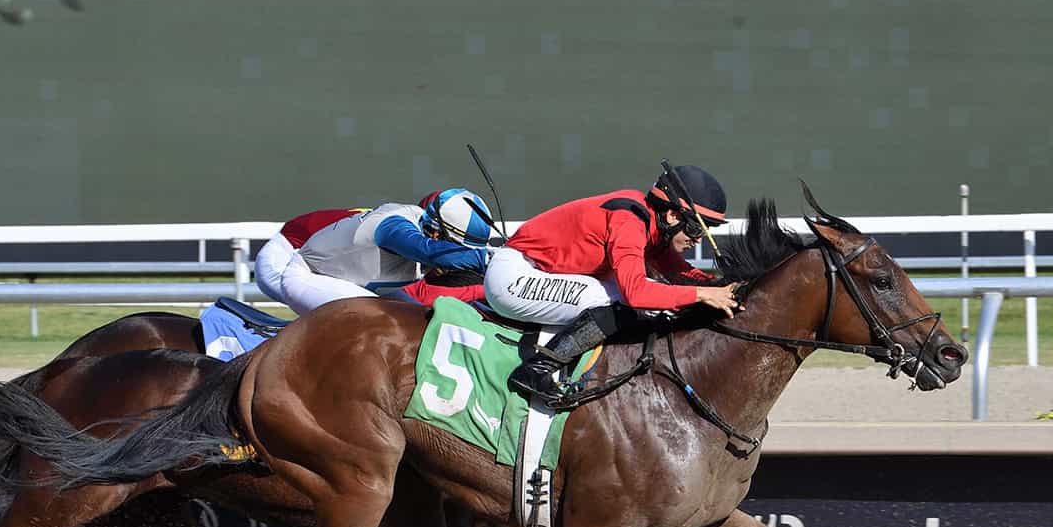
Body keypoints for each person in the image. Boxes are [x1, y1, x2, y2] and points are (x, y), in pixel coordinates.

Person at [486, 162, 741, 404]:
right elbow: (635, 292)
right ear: (673, 215)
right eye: (697, 229)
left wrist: (721, 287)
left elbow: (679, 273)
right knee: (619, 299)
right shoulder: (629, 221)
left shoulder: (651, 224)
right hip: (513, 277)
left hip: (537, 273)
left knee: (634, 297)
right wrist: (701, 294)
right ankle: (536, 370)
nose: (697, 240)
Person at [253, 188, 499, 316]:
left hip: (336, 274)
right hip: (301, 272)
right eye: (457, 246)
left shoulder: (423, 233)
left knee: (412, 316)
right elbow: (428, 251)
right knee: (370, 317)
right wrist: (491, 258)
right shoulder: (395, 226)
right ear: (437, 232)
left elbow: (425, 295)